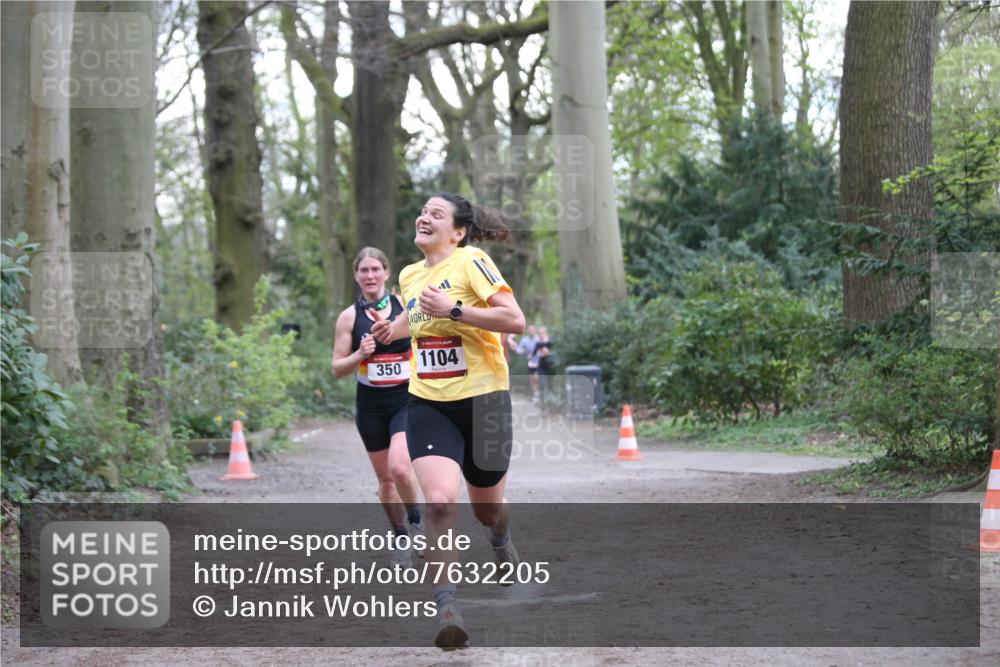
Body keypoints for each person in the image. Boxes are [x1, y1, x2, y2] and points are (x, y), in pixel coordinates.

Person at [371, 192, 526, 650]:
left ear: (458, 232)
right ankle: (447, 609)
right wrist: (392, 329)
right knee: (439, 504)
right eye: (422, 210)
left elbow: (514, 320)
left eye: (436, 213)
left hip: (484, 401)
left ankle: (500, 538)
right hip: (428, 402)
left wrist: (456, 311)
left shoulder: (472, 261)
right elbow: (418, 317)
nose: (423, 216)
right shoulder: (409, 274)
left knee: (487, 510)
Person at [331, 247, 423, 568]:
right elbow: (337, 368)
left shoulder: (403, 308)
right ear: (356, 276)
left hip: (405, 400)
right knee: (385, 481)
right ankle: (400, 537)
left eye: (375, 269)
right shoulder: (348, 317)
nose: (370, 276)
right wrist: (359, 355)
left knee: (400, 468)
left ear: (386, 272)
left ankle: (417, 523)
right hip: (370, 405)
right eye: (363, 271)